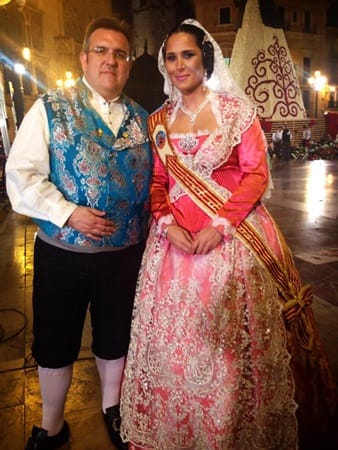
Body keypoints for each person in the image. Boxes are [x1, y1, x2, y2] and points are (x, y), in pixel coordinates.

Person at [120, 19, 336, 450]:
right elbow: (159, 182)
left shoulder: (236, 111)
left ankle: (232, 429)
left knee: (232, 349)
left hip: (232, 240)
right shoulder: (159, 120)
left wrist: (220, 226)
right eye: (171, 57)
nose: (179, 65)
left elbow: (256, 175)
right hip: (174, 250)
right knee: (176, 348)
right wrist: (166, 223)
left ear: (205, 58)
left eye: (188, 55)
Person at [6, 16, 152, 450]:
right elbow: (21, 174)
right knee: (54, 342)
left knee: (115, 337)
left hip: (125, 256)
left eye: (120, 54)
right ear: (85, 58)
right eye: (102, 51)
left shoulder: (145, 121)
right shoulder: (51, 108)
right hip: (62, 255)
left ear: (128, 64)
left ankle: (113, 409)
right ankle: (51, 426)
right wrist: (67, 212)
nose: (111, 60)